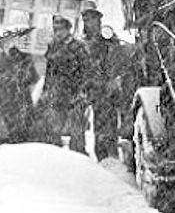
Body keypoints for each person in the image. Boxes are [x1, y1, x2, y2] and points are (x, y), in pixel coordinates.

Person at [40, 14, 90, 154]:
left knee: (77, 130)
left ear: (68, 30)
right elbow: (49, 71)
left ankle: (78, 156)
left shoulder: (77, 46)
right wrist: (46, 90)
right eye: (55, 29)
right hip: (57, 93)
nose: (58, 32)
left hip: (75, 93)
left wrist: (82, 91)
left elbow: (86, 70)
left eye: (61, 29)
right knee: (54, 128)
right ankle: (55, 154)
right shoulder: (53, 45)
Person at [81, 8, 122, 160]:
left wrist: (112, 80)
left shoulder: (106, 37)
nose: (87, 23)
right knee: (97, 125)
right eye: (85, 20)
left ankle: (110, 155)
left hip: (106, 88)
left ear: (98, 21)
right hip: (93, 88)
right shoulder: (84, 41)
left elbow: (116, 59)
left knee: (108, 124)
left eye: (90, 20)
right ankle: (102, 155)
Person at [0, 44, 40, 143]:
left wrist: (17, 79)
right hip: (6, 102)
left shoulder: (25, 58)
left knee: (24, 132)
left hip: (21, 102)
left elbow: (33, 78)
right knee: (12, 131)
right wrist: (2, 81)